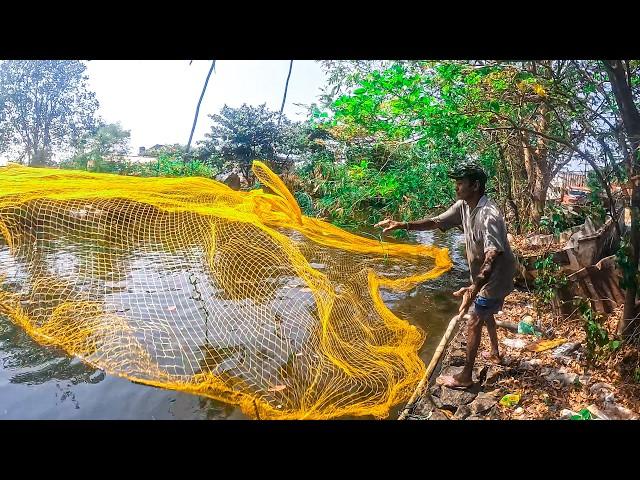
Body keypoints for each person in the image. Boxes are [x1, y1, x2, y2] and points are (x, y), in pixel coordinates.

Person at [375, 161, 516, 389]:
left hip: (496, 275)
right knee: (485, 312)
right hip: (481, 273)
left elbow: (492, 257)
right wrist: (401, 224)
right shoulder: (463, 206)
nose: (456, 188)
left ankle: (465, 377)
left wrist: (474, 288)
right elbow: (435, 222)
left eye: (461, 183)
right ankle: (495, 353)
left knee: (475, 319)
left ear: (476, 185)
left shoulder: (490, 215)